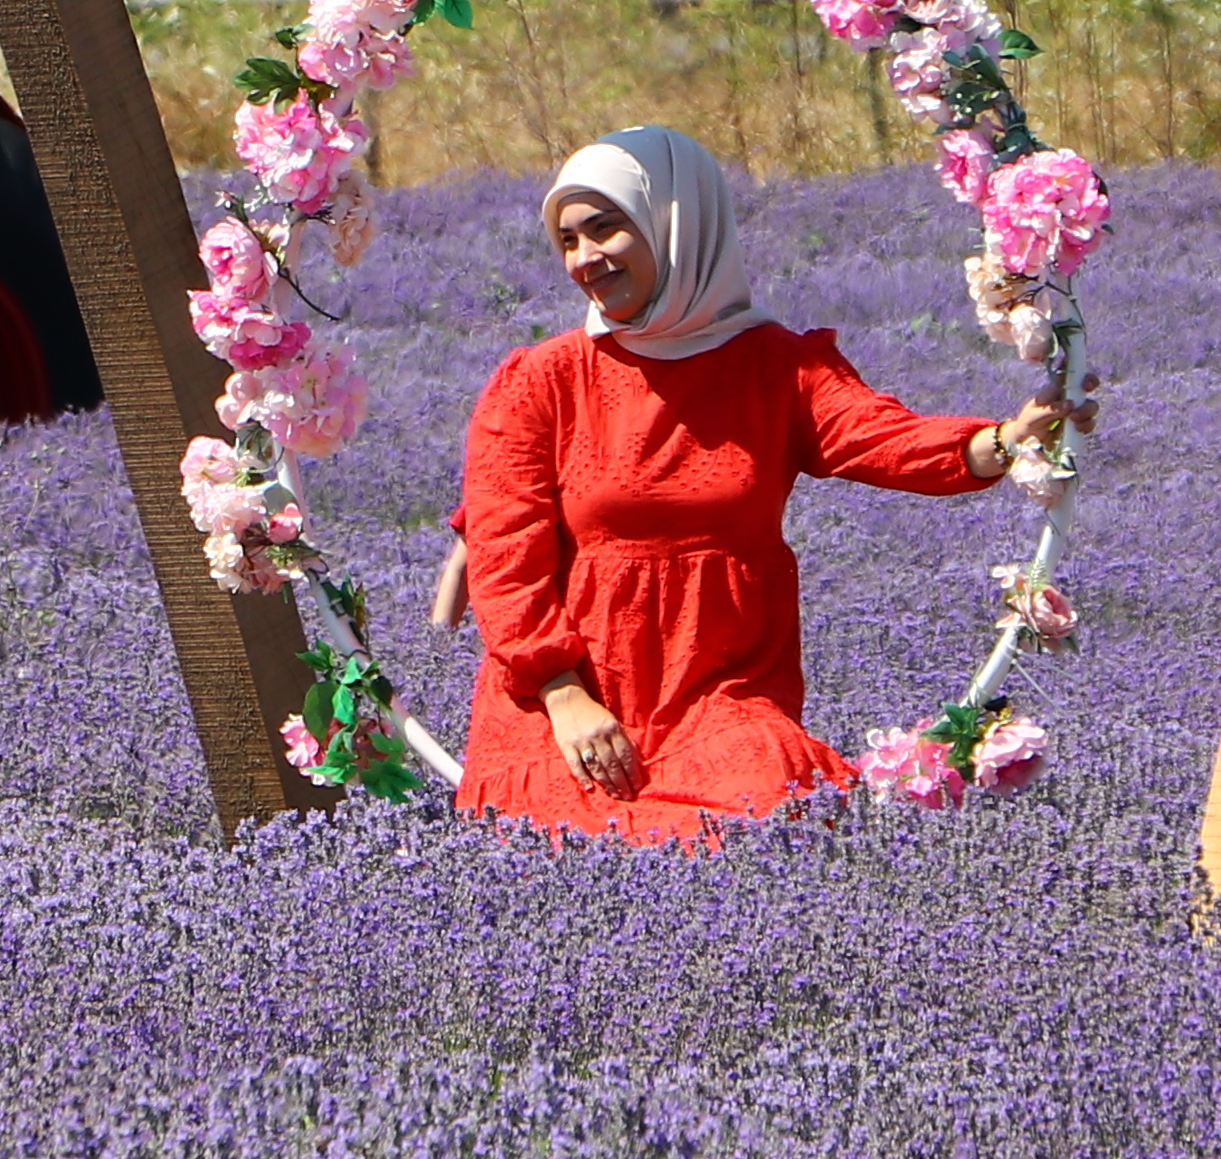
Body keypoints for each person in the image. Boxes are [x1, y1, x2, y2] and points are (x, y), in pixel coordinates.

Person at [452, 126, 1069, 844]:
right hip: (567, 695)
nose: (585, 259)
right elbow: (504, 557)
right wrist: (561, 695)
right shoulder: (542, 381)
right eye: (567, 241)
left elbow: (878, 435)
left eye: (606, 230)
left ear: (676, 221)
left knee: (771, 816)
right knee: (559, 839)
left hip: (721, 684)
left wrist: (1001, 442)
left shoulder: (775, 367)